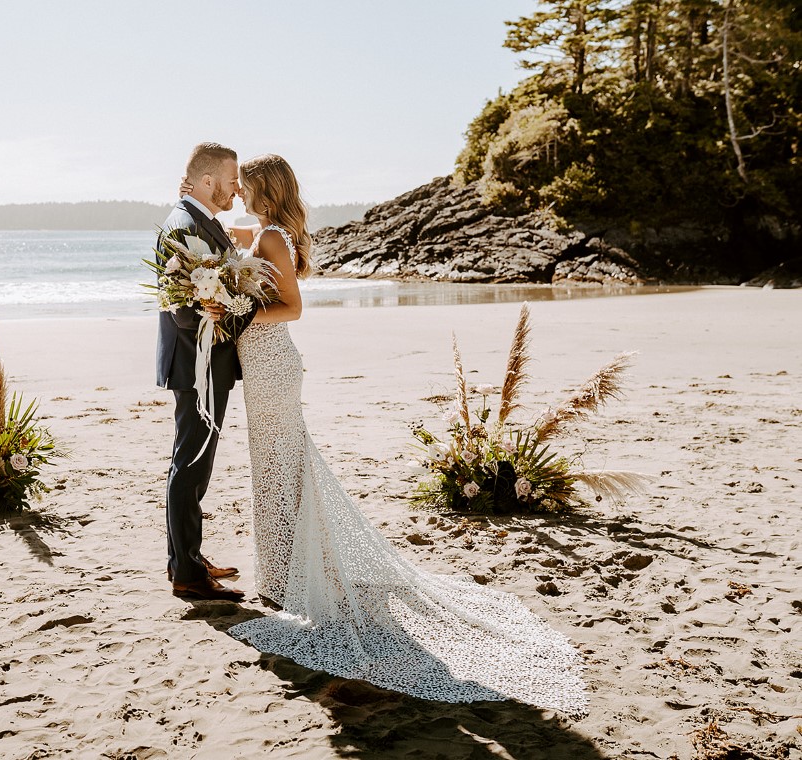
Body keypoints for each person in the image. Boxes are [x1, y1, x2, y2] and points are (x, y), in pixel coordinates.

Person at [191, 153, 587, 713]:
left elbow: (292, 309)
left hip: (273, 362)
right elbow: (228, 238)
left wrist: (234, 314)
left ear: (266, 189)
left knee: (282, 468)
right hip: (264, 367)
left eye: (245, 185)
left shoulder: (275, 237)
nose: (240, 192)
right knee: (277, 468)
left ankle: (283, 579)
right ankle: (281, 574)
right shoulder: (266, 233)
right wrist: (211, 248)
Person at [156, 142, 255, 602]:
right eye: (232, 179)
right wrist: (226, 315)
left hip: (206, 362)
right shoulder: (183, 225)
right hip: (198, 363)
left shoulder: (201, 221)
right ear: (208, 181)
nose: (238, 188)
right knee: (191, 465)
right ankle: (189, 575)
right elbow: (182, 308)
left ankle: (186, 558)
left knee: (194, 462)